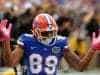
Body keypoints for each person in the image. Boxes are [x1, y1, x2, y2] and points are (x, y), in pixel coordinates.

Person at [0, 13, 100, 75]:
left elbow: (80, 67)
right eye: (45, 33)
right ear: (35, 31)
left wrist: (92, 49)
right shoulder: (26, 40)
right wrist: (6, 40)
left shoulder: (61, 42)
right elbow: (10, 63)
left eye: (52, 32)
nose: (49, 36)